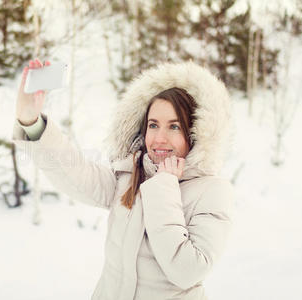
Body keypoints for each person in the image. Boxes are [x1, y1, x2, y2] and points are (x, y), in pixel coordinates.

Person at [12, 59, 234, 300]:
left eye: (174, 127)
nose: (159, 138)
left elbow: (186, 271)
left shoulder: (211, 191)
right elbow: (75, 173)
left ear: (195, 132)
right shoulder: (130, 176)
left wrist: (165, 185)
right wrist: (31, 121)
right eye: (153, 125)